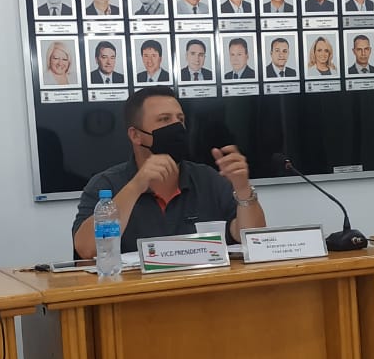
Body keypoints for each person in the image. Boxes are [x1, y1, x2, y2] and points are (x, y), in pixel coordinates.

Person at [71, 87, 266, 258]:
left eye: (180, 119)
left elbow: (252, 239)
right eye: (164, 119)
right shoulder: (106, 184)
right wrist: (136, 186)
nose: (177, 126)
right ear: (136, 135)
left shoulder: (208, 179)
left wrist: (243, 188)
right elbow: (87, 249)